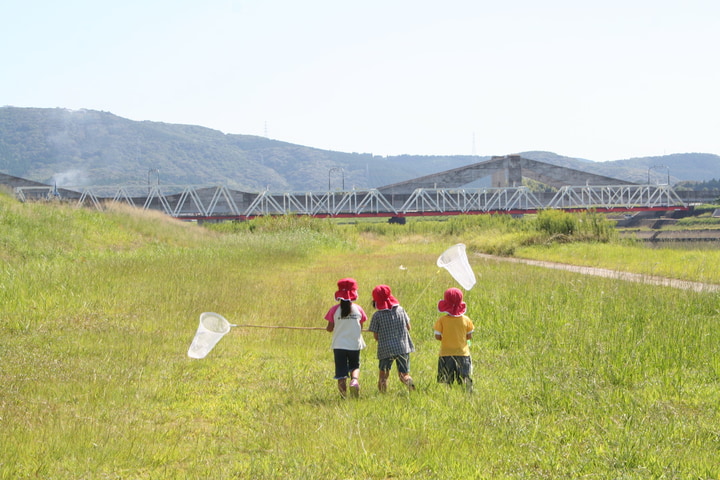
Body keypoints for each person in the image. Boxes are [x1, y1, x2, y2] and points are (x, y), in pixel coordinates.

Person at [368, 285, 416, 393]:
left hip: (386, 349)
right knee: (404, 375)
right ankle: (410, 384)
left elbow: (376, 336)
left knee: (383, 376)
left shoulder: (377, 315)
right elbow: (409, 327)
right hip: (403, 347)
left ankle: (383, 396)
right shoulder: (401, 310)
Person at [324, 278, 367, 398]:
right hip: (354, 344)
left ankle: (343, 397)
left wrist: (329, 328)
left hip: (339, 345)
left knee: (341, 373)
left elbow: (329, 328)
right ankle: (354, 380)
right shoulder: (358, 309)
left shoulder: (334, 310)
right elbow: (361, 326)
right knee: (355, 366)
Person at [433, 288, 474, 392]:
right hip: (463, 353)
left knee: (446, 379)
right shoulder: (466, 320)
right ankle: (469, 393)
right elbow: (469, 336)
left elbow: (437, 336)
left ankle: (447, 395)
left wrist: (446, 338)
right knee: (465, 376)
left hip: (446, 353)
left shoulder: (441, 320)